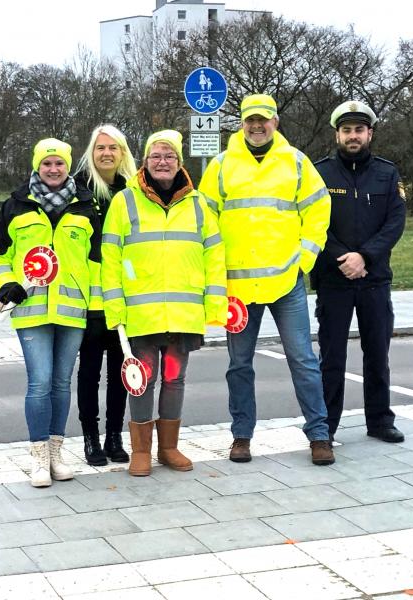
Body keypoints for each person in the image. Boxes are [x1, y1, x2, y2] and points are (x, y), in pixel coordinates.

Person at [199, 93, 335, 466]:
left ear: (276, 122)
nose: (257, 126)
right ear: (241, 123)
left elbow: (319, 208)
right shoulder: (222, 165)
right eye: (250, 120)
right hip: (238, 287)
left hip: (284, 280)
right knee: (238, 365)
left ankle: (319, 435)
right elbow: (205, 220)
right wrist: (214, 272)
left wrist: (304, 258)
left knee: (303, 360)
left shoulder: (295, 162)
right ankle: (241, 436)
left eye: (264, 120)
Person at [101, 129, 227, 477]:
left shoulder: (199, 205)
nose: (162, 162)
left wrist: (214, 305)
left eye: (169, 156)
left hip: (184, 313)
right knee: (143, 379)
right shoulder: (124, 202)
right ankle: (141, 450)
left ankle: (169, 447)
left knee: (174, 378)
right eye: (156, 156)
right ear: (145, 162)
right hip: (140, 313)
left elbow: (214, 258)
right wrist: (115, 307)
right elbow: (110, 257)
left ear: (179, 162)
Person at [0, 138, 102, 487]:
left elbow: (96, 262)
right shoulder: (16, 205)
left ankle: (56, 453)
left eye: (59, 164)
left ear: (68, 167)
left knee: (61, 384)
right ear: (37, 167)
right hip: (31, 308)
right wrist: (6, 285)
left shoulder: (85, 207)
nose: (53, 169)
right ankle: (38, 458)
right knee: (40, 383)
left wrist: (95, 309)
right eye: (47, 164)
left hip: (72, 310)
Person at [311, 100, 407, 443]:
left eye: (359, 130)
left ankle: (380, 421)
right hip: (334, 280)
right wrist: (344, 258)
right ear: (337, 134)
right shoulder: (319, 173)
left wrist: (364, 257)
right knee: (332, 358)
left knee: (377, 354)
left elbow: (395, 222)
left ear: (370, 133)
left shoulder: (387, 172)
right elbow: (314, 224)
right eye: (347, 130)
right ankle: (327, 425)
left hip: (374, 279)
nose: (353, 136)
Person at [74, 125, 138, 466]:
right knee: (89, 373)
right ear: (91, 151)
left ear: (123, 153)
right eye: (100, 147)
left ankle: (115, 437)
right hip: (89, 298)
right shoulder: (78, 188)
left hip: (123, 295)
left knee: (120, 371)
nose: (107, 153)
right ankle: (90, 439)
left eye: (114, 147)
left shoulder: (132, 190)